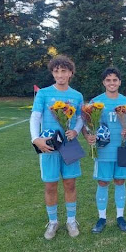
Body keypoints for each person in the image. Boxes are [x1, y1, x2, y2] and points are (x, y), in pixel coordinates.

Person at [30, 55, 84, 239]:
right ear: (52, 73)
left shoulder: (77, 96)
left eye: (64, 71)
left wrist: (76, 131)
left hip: (69, 145)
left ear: (70, 73)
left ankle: (71, 220)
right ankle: (53, 222)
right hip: (49, 146)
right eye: (56, 71)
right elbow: (35, 117)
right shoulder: (44, 94)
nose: (60, 75)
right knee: (51, 185)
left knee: (70, 183)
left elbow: (80, 118)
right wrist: (35, 139)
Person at [83, 67, 126, 234]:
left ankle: (120, 216)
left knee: (120, 181)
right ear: (104, 82)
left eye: (115, 80)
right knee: (103, 182)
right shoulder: (96, 102)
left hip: (122, 148)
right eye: (108, 80)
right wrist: (89, 136)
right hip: (103, 150)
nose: (112, 83)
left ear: (119, 82)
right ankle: (102, 218)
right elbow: (87, 124)